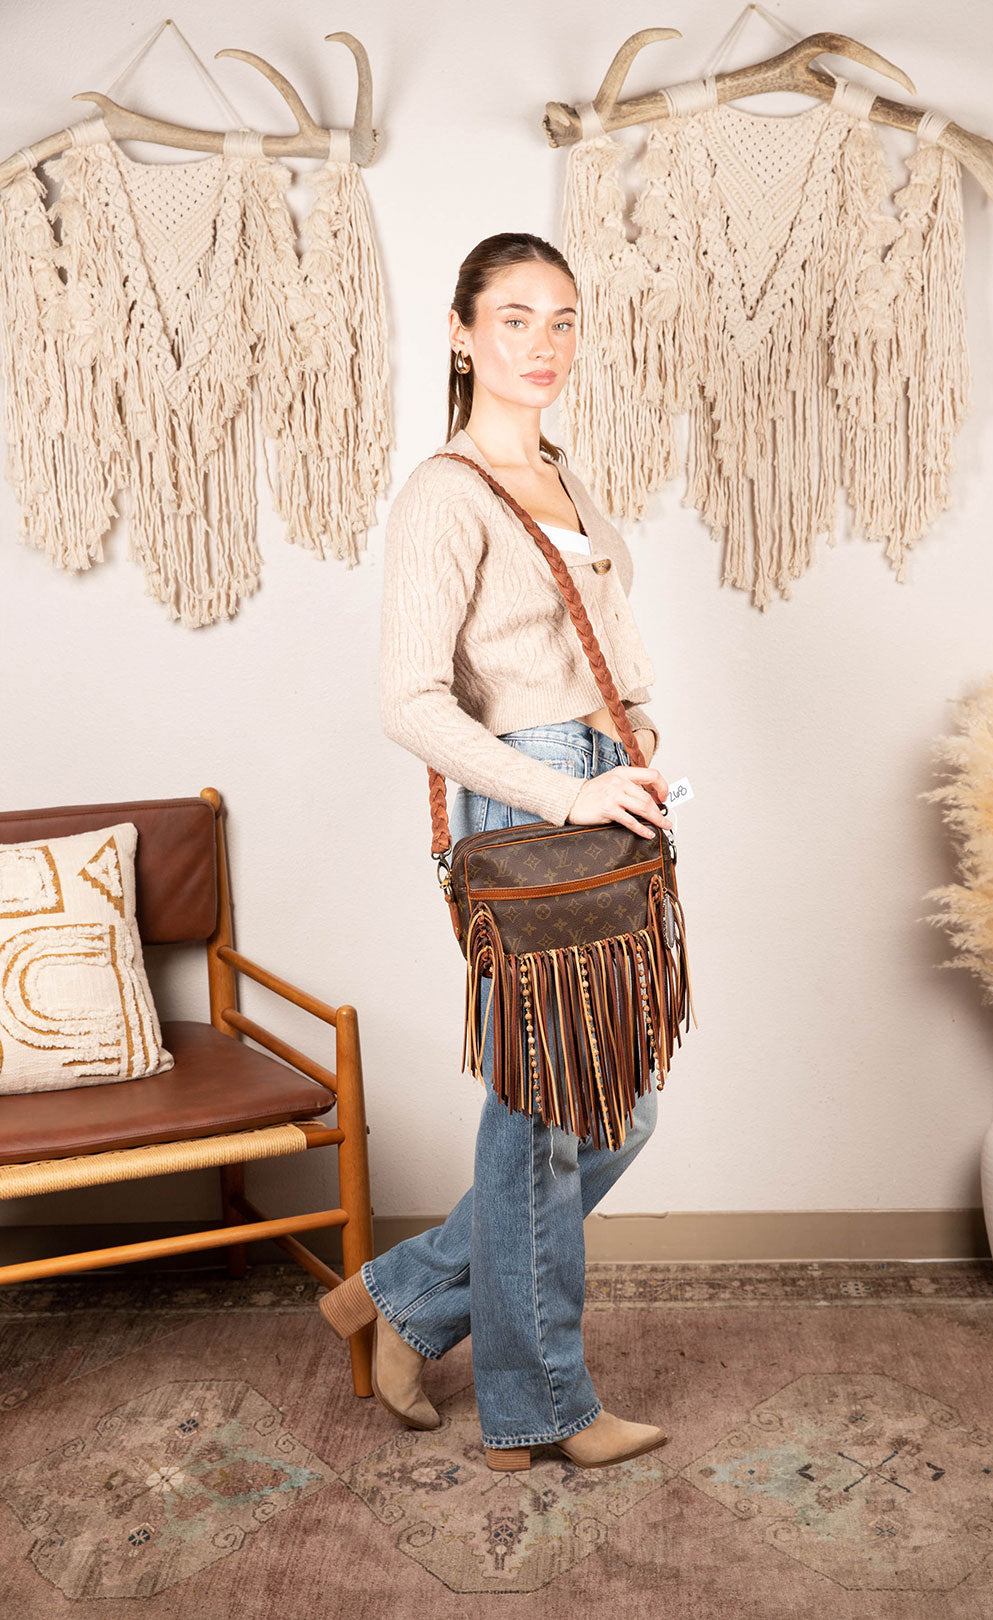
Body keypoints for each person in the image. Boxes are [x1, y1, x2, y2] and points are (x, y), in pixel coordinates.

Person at [319, 233, 672, 1472]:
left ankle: (406, 1299)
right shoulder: (445, 493)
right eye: (515, 318)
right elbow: (411, 703)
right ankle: (543, 1405)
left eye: (564, 320)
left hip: (605, 791)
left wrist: (639, 746)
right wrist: (565, 793)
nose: (544, 343)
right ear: (462, 334)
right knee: (547, 1106)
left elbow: (601, 652)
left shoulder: (564, 477)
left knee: (610, 1107)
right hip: (533, 803)